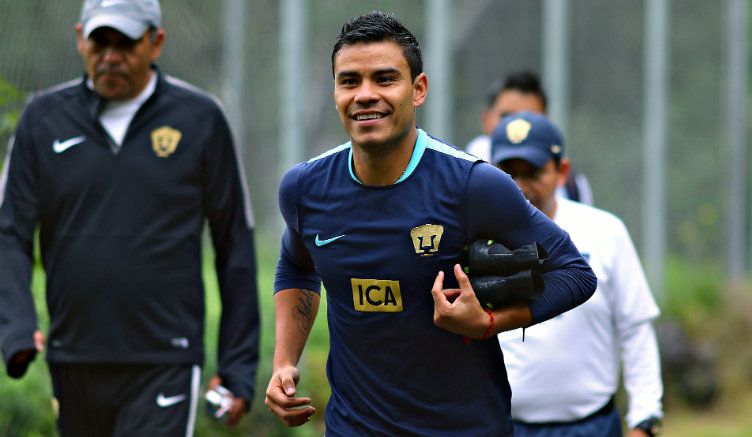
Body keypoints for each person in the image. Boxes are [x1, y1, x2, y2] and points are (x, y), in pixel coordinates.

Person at [264, 11, 596, 436]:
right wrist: (284, 362)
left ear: (418, 90)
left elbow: (575, 274)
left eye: (385, 79)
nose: (365, 94)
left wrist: (490, 322)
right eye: (350, 81)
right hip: (354, 426)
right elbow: (296, 265)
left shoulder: (474, 185)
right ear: (335, 91)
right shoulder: (303, 188)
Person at [0, 0, 260, 435]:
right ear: (80, 39)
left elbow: (233, 241)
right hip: (74, 357)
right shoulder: (42, 120)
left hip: (165, 359)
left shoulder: (200, 119)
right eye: (100, 42)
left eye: (126, 43)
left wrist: (238, 367)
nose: (110, 56)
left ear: (155, 42)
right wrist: (16, 326)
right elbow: (9, 232)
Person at [490, 112, 664, 437]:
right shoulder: (477, 237)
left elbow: (635, 330)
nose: (520, 185)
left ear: (561, 171)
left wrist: (644, 419)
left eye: (533, 172)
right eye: (508, 171)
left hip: (592, 427)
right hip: (506, 426)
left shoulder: (604, 231)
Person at [466, 70, 594, 205]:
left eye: (534, 174)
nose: (518, 125)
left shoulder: (572, 186)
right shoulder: (461, 176)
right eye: (507, 116)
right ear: (486, 119)